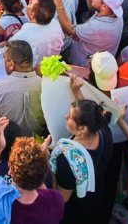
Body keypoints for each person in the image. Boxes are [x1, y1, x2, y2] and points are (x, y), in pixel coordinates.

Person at [0, 117, 64, 224]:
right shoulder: (55, 201)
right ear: (43, 174)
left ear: (10, 170)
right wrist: (39, 161)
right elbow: (46, 192)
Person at [51, 78, 115, 224]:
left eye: (70, 117)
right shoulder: (103, 130)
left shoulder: (68, 159)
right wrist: (76, 91)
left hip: (76, 212)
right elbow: (89, 113)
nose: (65, 117)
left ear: (82, 129)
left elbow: (62, 198)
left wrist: (51, 170)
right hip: (97, 200)